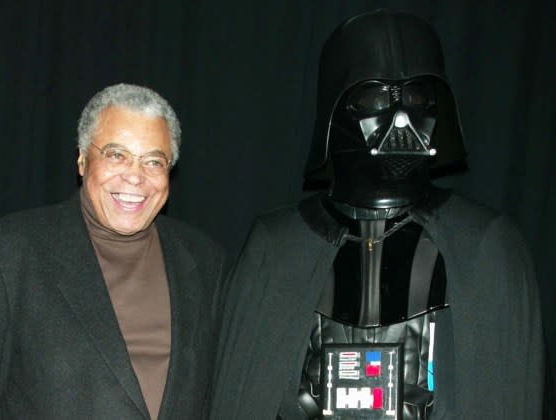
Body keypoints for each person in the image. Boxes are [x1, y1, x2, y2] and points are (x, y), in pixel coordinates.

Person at [209, 10, 547, 419]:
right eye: (375, 99)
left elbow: (506, 395)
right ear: (336, 111)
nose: (401, 118)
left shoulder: (485, 244)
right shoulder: (277, 248)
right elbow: (243, 394)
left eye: (418, 97)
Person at [0, 83, 228, 419]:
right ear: (81, 159)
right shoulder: (5, 255)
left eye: (153, 161)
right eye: (116, 155)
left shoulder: (205, 262)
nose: (135, 176)